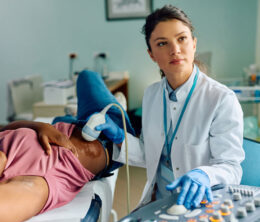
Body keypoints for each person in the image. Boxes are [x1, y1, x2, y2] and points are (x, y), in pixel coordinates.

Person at [95, 5, 245, 209]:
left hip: (200, 204)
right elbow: (152, 156)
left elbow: (231, 168)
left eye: (182, 38)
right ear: (151, 54)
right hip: (159, 202)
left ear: (193, 44)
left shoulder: (221, 99)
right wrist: (122, 139)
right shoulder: (151, 95)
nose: (174, 50)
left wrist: (204, 174)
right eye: (162, 43)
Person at [0, 70, 135, 222]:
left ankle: (70, 115)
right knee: (90, 78)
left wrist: (42, 128)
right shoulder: (29, 184)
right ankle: (118, 105)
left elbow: (10, 127)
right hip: (107, 131)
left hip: (64, 126)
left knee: (84, 75)